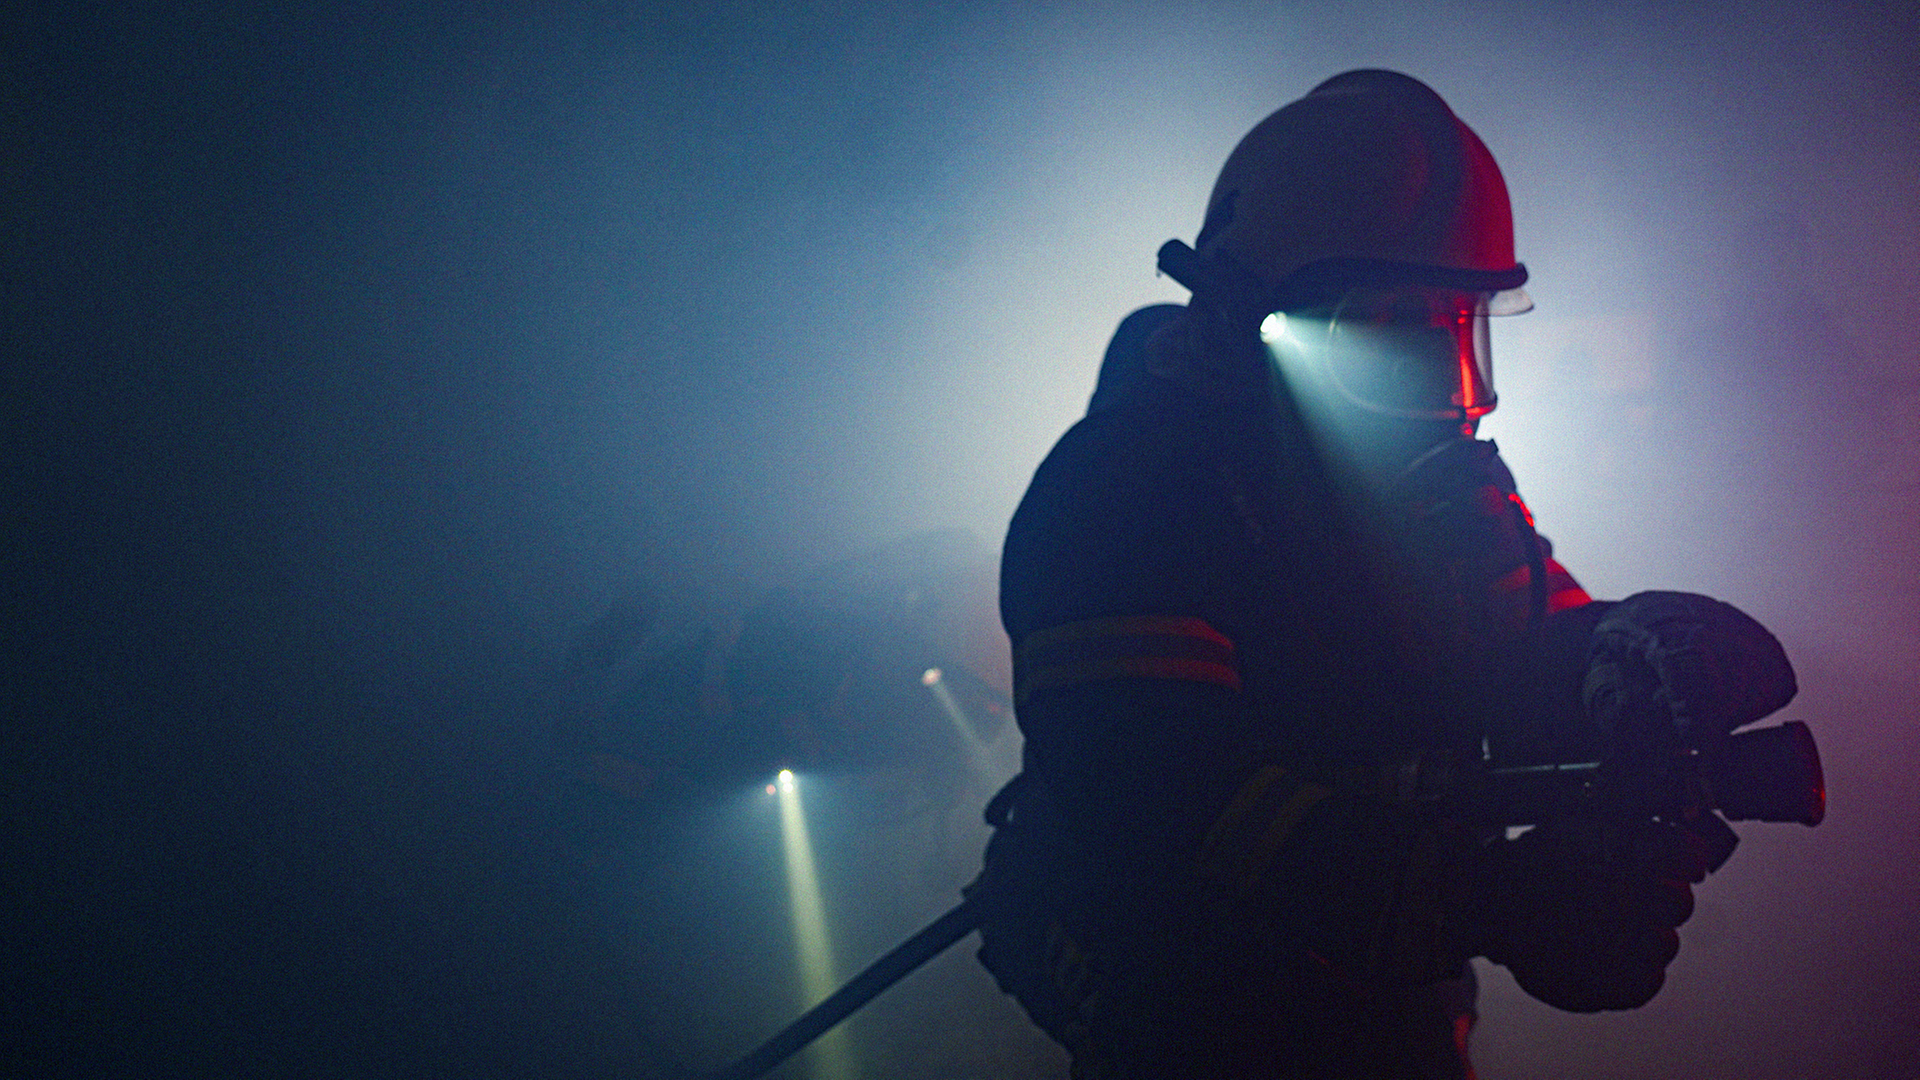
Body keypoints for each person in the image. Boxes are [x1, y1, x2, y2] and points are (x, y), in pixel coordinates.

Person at [970, 70, 1797, 1079]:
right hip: (1184, 1004)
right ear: (1251, 319)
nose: (1455, 396)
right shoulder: (1118, 497)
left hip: (1389, 993)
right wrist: (1495, 902)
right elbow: (1175, 803)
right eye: (1399, 334)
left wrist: (1623, 655)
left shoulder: (1417, 481)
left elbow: (1517, 647)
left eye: (1461, 331)